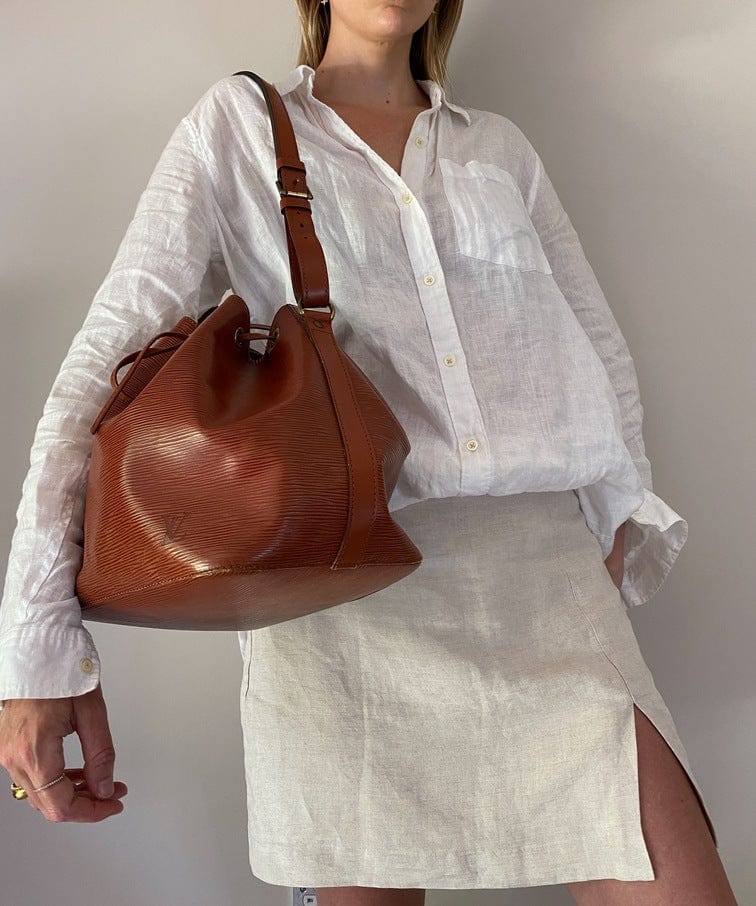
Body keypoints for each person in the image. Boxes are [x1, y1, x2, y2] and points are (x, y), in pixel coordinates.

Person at [0, 0, 738, 903]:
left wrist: (619, 513)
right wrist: (36, 650)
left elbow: (595, 345)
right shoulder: (236, 126)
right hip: (336, 601)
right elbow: (102, 367)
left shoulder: (498, 149)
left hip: (542, 589)